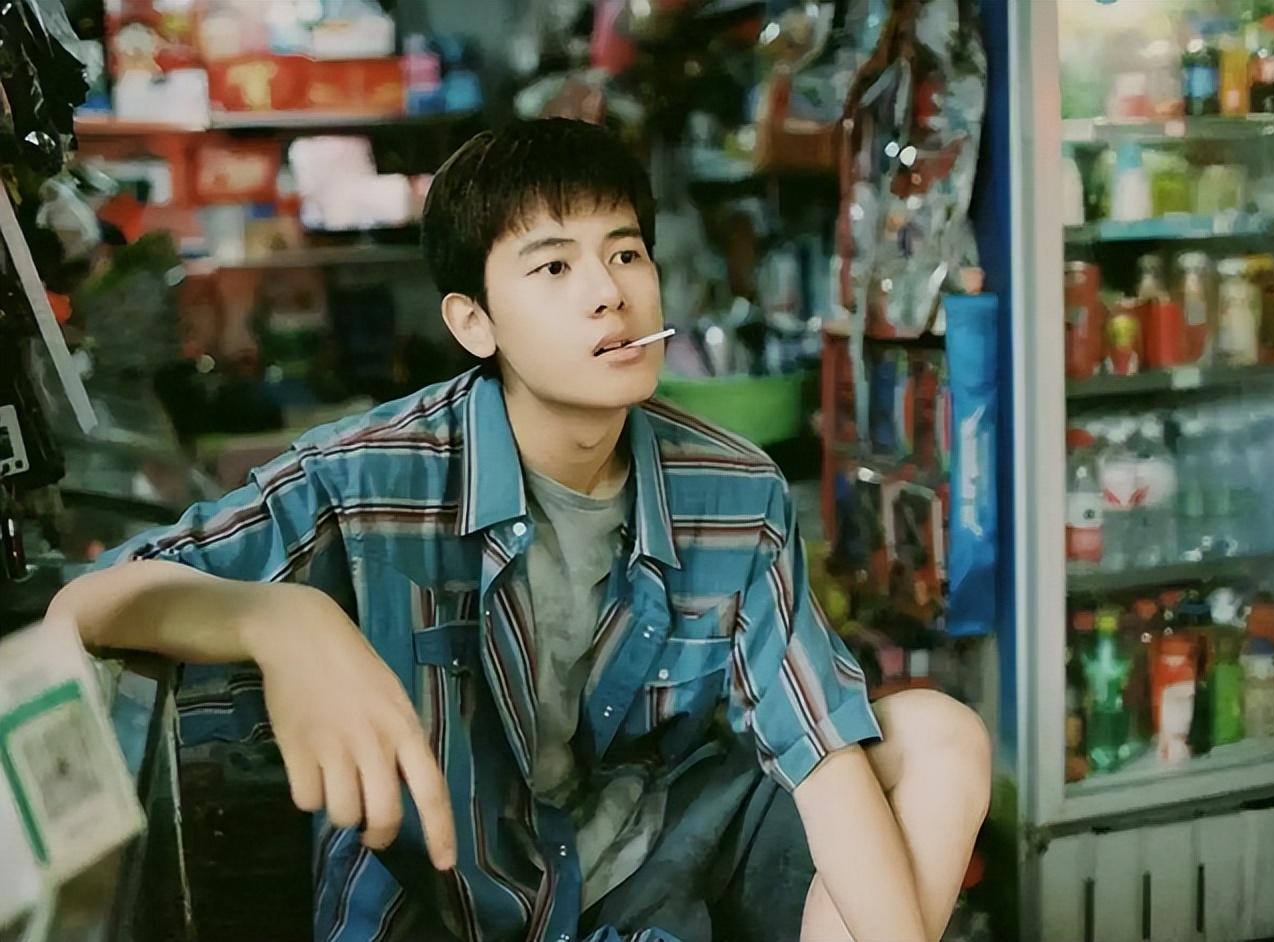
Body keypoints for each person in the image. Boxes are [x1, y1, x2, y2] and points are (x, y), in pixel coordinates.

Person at [49, 118, 990, 942]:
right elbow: (87, 606)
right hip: (448, 905)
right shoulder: (371, 476)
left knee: (940, 736)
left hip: (654, 883)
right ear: (473, 322)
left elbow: (819, 752)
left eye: (626, 254)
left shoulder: (733, 487)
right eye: (553, 267)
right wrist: (281, 620)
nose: (608, 293)